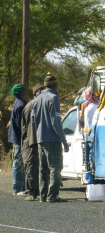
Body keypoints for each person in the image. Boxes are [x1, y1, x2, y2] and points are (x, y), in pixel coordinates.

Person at [31, 73, 69, 203]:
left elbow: (33, 120)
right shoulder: (53, 98)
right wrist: (63, 140)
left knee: (43, 168)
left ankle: (43, 196)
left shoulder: (36, 100)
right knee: (55, 168)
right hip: (53, 139)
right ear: (54, 85)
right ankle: (52, 196)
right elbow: (56, 122)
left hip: (41, 139)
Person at [21, 84, 45, 201]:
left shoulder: (37, 105)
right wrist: (32, 143)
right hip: (30, 142)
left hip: (37, 141)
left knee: (39, 167)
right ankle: (30, 192)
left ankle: (39, 191)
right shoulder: (31, 106)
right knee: (31, 166)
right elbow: (29, 128)